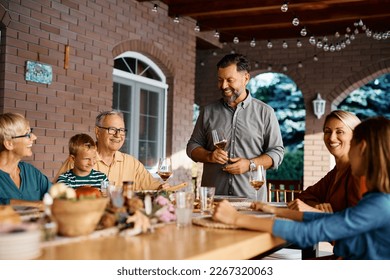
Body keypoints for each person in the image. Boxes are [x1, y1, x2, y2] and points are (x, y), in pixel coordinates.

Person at [213, 116, 390, 260]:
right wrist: (277, 210)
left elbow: (308, 233)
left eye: (353, 146)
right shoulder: (378, 199)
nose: (349, 153)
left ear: (363, 148)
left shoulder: (379, 205)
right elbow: (334, 218)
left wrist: (235, 218)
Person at [186, 53, 284, 201]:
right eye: (220, 80)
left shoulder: (265, 112)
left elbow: (277, 153)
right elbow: (192, 147)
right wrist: (209, 156)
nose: (224, 86)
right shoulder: (208, 111)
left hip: (251, 199)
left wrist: (250, 164)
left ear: (246, 78)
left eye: (229, 80)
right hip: (214, 199)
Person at [54, 110, 165, 190]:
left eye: (121, 130)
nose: (118, 135)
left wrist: (163, 187)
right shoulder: (78, 159)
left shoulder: (132, 163)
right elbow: (56, 194)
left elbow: (155, 187)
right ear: (97, 132)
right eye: (112, 129)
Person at [288, 110, 365, 213]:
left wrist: (316, 211)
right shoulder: (334, 173)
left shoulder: (357, 173)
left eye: (339, 132)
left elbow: (358, 220)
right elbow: (302, 197)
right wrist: (317, 206)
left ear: (354, 136)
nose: (332, 138)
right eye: (327, 131)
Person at [0, 112, 51, 210]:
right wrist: (37, 205)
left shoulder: (31, 172)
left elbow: (56, 193)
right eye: (27, 134)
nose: (34, 137)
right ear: (9, 144)